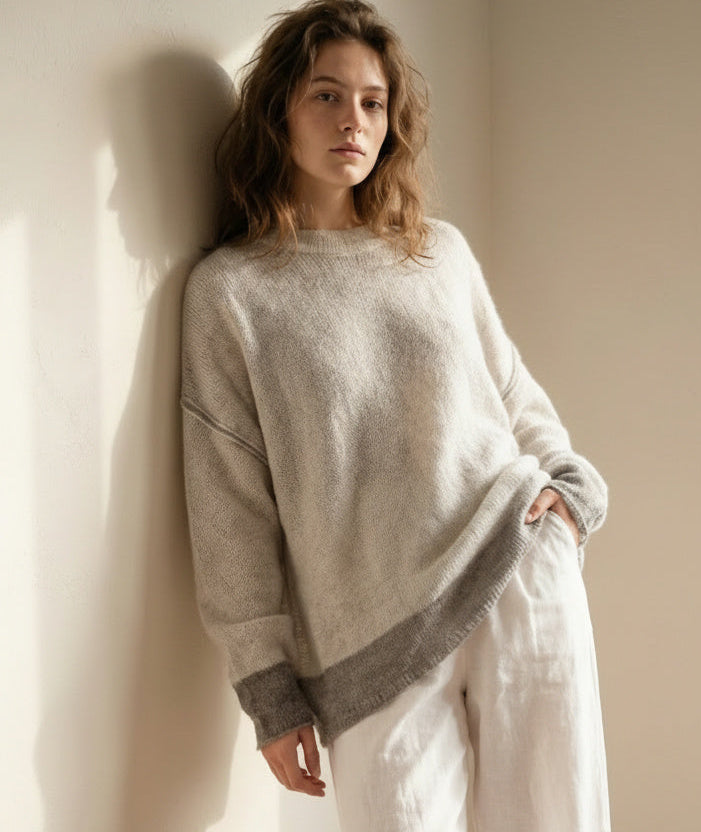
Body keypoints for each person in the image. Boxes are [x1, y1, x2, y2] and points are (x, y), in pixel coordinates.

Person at [180, 1, 611, 829]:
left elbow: (512, 392)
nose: (354, 121)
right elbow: (229, 504)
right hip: (368, 640)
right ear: (279, 111)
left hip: (514, 566)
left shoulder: (437, 253)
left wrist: (568, 490)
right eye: (327, 96)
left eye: (373, 102)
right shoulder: (231, 293)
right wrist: (268, 687)